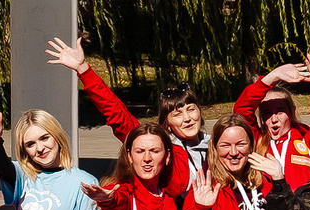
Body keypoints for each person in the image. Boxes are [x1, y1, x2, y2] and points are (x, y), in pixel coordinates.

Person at [47, 35, 211, 191]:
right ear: (167, 124)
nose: (187, 118)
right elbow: (117, 114)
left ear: (200, 111)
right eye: (177, 114)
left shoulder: (217, 144)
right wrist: (84, 69)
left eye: (191, 109)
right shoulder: (158, 147)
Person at [233, 54, 310, 191]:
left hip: (306, 204)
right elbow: (241, 110)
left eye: (280, 111)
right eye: (267, 113)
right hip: (270, 204)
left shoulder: (306, 140)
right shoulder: (257, 141)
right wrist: (272, 77)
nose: (274, 119)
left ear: (292, 112)